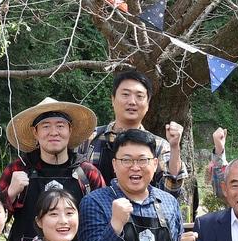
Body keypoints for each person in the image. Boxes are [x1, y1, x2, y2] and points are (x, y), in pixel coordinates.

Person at [0, 97, 104, 241]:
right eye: (46, 126)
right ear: (35, 132)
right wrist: (10, 193)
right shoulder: (18, 169)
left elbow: (102, 221)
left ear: (70, 129)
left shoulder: (87, 173)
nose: (54, 132)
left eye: (60, 126)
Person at [76, 69, 191, 203]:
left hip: (143, 219)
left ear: (148, 104)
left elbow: (171, 191)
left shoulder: (159, 146)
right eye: (125, 94)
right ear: (113, 100)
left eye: (139, 96)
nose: (132, 102)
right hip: (94, 217)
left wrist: (175, 147)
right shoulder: (88, 138)